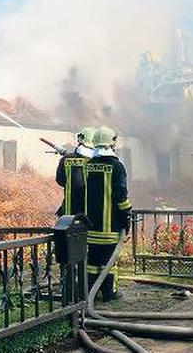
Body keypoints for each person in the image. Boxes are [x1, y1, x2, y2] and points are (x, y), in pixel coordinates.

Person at [83, 126, 132, 302]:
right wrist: (127, 213)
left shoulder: (88, 166)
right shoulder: (117, 167)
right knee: (109, 262)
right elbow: (120, 195)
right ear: (111, 143)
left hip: (90, 226)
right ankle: (109, 293)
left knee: (92, 262)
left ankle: (91, 293)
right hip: (110, 226)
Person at [55, 127, 96, 217]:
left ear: (80, 140)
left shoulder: (66, 159)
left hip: (69, 210)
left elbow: (60, 181)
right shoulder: (96, 161)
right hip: (90, 211)